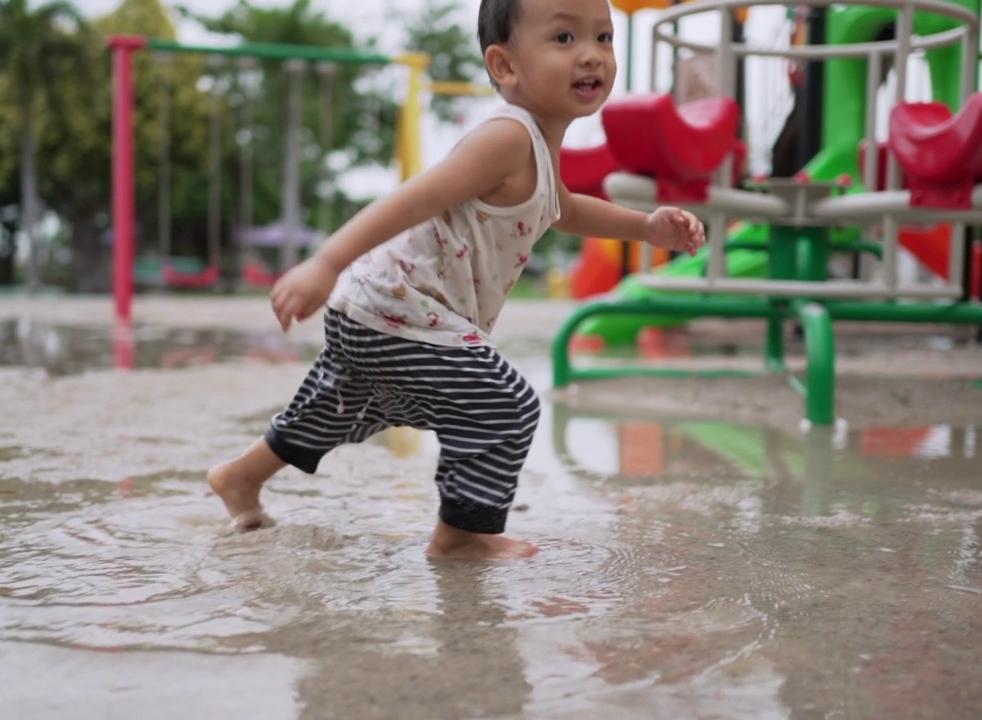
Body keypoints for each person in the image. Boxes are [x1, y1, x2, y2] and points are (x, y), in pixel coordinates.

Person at [209, 0, 706, 560]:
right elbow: (410, 199)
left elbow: (562, 208)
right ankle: (462, 536)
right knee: (504, 403)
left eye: (603, 37)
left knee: (338, 409)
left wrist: (645, 228)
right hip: (402, 309)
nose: (592, 55)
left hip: (373, 310)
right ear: (505, 65)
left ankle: (239, 478)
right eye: (564, 38)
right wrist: (326, 262)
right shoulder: (506, 139)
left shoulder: (539, 148)